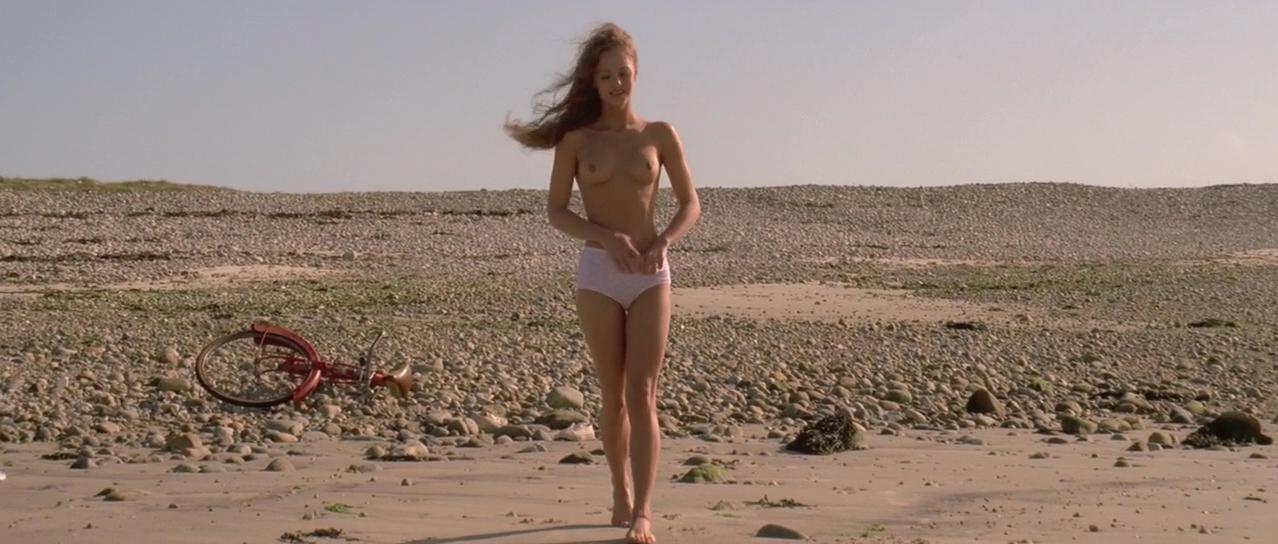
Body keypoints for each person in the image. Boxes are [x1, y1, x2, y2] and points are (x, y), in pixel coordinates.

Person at [505, 22, 700, 544]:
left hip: (651, 275)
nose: (617, 84)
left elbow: (690, 203)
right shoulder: (576, 141)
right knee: (612, 393)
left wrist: (665, 241)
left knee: (643, 391)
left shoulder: (660, 135)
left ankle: (644, 513)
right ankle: (620, 489)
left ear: (637, 75)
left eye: (624, 74)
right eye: (607, 76)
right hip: (598, 274)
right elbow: (556, 211)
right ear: (593, 81)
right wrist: (606, 237)